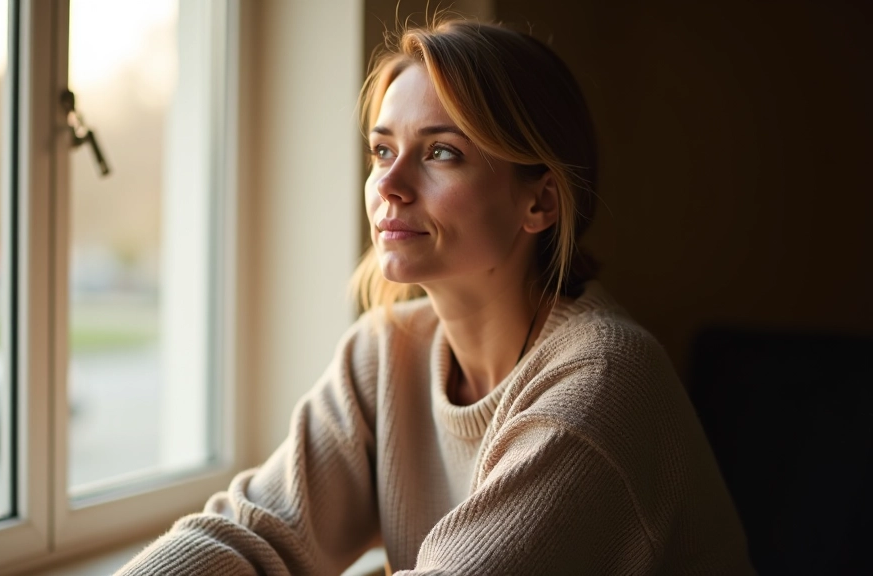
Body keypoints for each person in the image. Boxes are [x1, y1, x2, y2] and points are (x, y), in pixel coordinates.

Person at [117, 19, 753, 575]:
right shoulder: (383, 352)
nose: (388, 184)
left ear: (540, 201)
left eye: (441, 152)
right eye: (382, 150)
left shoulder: (604, 383)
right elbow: (258, 537)